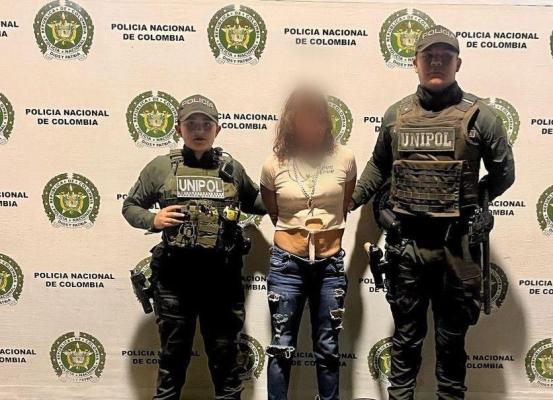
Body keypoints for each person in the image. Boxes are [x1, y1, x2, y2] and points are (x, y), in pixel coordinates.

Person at [350, 26, 515, 400]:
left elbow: (504, 173)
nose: (436, 62)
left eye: (445, 56)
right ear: (415, 63)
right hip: (407, 246)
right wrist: (352, 199)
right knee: (406, 339)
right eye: (429, 56)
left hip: (456, 248)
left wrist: (477, 201)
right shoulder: (397, 115)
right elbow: (379, 165)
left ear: (458, 63)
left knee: (451, 342)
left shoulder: (481, 116)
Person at [122, 94, 265, 400]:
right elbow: (130, 206)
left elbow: (255, 200)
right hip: (175, 279)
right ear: (178, 128)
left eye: (206, 124)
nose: (199, 131)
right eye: (191, 124)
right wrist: (153, 219)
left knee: (226, 361)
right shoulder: (161, 167)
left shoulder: (231, 168)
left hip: (222, 280)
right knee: (173, 360)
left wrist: (287, 196)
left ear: (217, 129)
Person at [260, 86, 356, 400]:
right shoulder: (274, 163)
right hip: (287, 265)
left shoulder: (344, 158)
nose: (310, 125)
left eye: (316, 118)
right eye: (302, 118)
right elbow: (274, 211)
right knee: (281, 346)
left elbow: (344, 204)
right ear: (290, 122)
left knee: (328, 347)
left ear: (326, 121)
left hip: (330, 265)